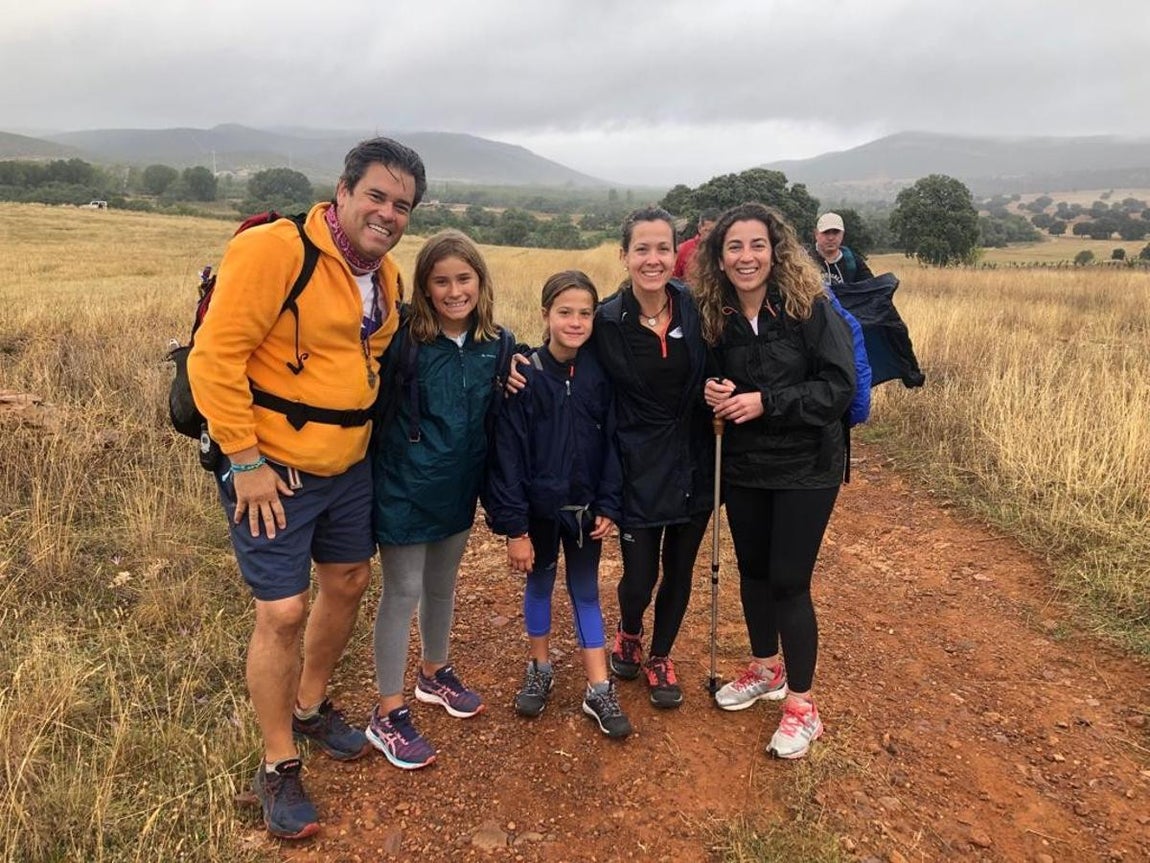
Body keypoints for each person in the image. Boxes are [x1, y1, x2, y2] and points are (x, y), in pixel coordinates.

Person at [187, 137, 425, 838]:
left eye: (402, 205)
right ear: (343, 190)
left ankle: (311, 705)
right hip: (272, 466)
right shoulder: (275, 251)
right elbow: (215, 357)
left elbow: (373, 360)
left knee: (349, 579)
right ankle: (278, 763)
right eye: (376, 195)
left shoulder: (387, 277)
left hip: (346, 463)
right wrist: (246, 459)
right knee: (283, 611)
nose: (387, 213)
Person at [696, 202, 855, 759]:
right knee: (755, 572)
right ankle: (766, 668)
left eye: (756, 245)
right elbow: (713, 377)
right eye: (733, 247)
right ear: (719, 257)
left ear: (776, 249)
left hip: (808, 464)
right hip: (746, 463)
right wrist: (714, 391)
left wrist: (768, 401)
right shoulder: (715, 314)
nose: (746, 257)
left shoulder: (808, 307)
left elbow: (837, 388)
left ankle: (803, 706)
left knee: (790, 580)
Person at [367, 229, 513, 769]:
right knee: (402, 592)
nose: (455, 291)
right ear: (425, 288)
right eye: (441, 281)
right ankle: (388, 711)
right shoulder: (403, 339)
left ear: (480, 281)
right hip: (403, 487)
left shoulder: (497, 344)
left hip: (458, 487)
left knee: (442, 587)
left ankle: (433, 673)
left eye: (464, 279)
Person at [485, 270, 632, 738]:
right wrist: (515, 529)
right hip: (539, 514)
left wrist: (609, 502)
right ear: (545, 314)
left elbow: (613, 442)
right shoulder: (524, 374)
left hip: (586, 511)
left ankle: (599, 687)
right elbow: (506, 455)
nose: (575, 321)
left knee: (587, 592)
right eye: (564, 312)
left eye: (585, 313)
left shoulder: (599, 374)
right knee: (540, 586)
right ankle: (540, 668)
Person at [599, 207, 714, 709]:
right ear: (624, 256)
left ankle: (661, 654)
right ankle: (628, 630)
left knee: (681, 568)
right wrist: (520, 365)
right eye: (641, 249)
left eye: (662, 248)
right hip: (637, 467)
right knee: (640, 576)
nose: (653, 259)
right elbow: (562, 356)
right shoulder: (606, 320)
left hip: (694, 462)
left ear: (676, 253)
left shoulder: (698, 308)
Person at [811, 212, 874, 284]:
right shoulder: (804, 260)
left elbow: (871, 288)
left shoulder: (852, 261)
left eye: (836, 232)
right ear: (816, 234)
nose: (831, 238)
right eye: (826, 232)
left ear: (842, 234)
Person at [672, 208, 719, 281]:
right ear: (700, 228)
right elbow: (673, 280)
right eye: (709, 231)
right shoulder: (684, 249)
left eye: (717, 232)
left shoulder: (724, 250)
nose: (713, 236)